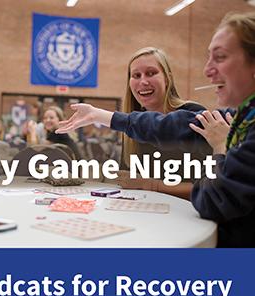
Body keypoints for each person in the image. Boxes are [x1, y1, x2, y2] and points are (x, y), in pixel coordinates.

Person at [56, 12, 255, 247]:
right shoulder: (240, 118)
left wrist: (220, 149)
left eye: (220, 57)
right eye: (136, 75)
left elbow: (213, 196)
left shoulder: (198, 118)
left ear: (168, 78)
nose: (207, 70)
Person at [116, 47, 210, 199]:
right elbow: (128, 181)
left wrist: (152, 185)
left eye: (151, 73)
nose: (143, 81)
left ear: (167, 79)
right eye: (136, 75)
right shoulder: (132, 123)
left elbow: (210, 188)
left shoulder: (194, 115)